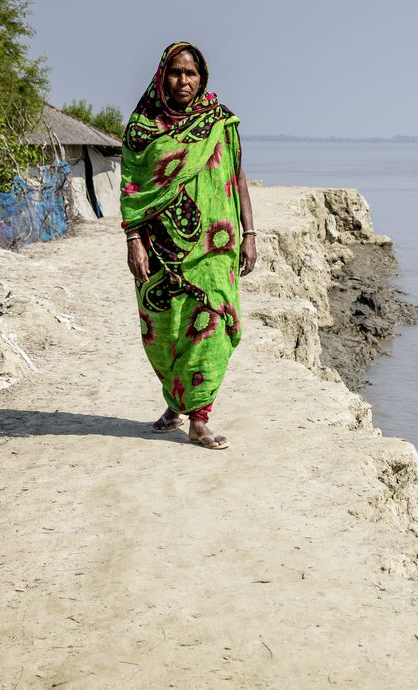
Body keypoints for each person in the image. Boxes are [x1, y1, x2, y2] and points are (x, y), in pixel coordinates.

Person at [120, 41, 257, 449]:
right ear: (163, 75)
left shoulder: (220, 121)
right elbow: (131, 188)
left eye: (191, 73)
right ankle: (175, 401)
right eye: (176, 72)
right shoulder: (144, 127)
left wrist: (250, 234)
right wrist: (133, 240)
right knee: (163, 333)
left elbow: (239, 179)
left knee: (210, 325)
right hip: (156, 247)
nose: (184, 80)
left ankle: (199, 417)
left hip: (215, 247)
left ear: (203, 77)